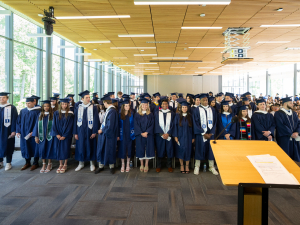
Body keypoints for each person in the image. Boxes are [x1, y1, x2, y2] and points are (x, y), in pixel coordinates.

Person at [73, 90, 99, 172]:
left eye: (89, 97)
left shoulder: (94, 107)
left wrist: (94, 131)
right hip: (80, 130)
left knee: (91, 145)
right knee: (80, 146)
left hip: (89, 130)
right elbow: (75, 121)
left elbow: (96, 120)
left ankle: (92, 164)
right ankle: (81, 164)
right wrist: (75, 132)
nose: (88, 99)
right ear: (82, 98)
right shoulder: (78, 108)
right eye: (86, 98)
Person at [193, 93, 218, 175]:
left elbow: (215, 122)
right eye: (203, 100)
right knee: (199, 149)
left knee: (211, 150)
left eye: (206, 100)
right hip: (201, 134)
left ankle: (211, 167)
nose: (205, 101)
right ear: (200, 101)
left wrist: (211, 133)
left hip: (210, 134)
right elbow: (195, 123)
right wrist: (203, 133)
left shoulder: (212, 109)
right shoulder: (196, 110)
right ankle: (197, 166)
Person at [95, 95, 119, 174]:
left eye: (103, 103)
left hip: (109, 134)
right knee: (102, 149)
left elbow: (110, 125)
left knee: (109, 150)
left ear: (105, 102)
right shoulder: (109, 110)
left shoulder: (112, 111)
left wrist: (102, 130)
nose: (103, 105)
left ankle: (111, 166)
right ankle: (101, 166)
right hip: (105, 133)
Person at [16, 97, 41, 171]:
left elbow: (39, 122)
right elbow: (18, 121)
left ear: (34, 102)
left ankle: (35, 163)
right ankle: (27, 162)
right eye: (26, 103)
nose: (27, 105)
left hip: (33, 133)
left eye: (29, 103)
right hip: (24, 132)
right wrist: (18, 130)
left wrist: (34, 131)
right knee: (25, 146)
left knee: (35, 146)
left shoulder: (38, 111)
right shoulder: (23, 111)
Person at [51, 98, 74, 173]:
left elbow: (70, 126)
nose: (64, 105)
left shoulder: (70, 113)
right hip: (58, 135)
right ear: (61, 105)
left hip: (66, 136)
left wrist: (65, 135)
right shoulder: (56, 113)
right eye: (63, 104)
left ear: (67, 104)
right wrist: (57, 134)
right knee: (58, 149)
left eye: (65, 104)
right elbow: (54, 124)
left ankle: (65, 164)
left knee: (65, 149)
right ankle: (60, 164)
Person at [274, 97, 300, 161]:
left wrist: (297, 132)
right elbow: (280, 125)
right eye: (290, 103)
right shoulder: (278, 113)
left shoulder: (294, 113)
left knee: (295, 157)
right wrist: (290, 134)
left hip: (294, 138)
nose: (292, 104)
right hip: (284, 138)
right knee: (285, 157)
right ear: (285, 104)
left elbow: (298, 123)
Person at [33, 100, 55, 173]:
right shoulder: (40, 115)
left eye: (48, 106)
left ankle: (49, 164)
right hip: (41, 136)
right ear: (43, 107)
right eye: (45, 106)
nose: (46, 107)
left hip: (50, 136)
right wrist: (36, 136)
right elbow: (36, 126)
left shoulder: (53, 115)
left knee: (49, 149)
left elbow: (55, 126)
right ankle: (43, 164)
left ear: (50, 107)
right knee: (42, 149)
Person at [154, 98, 175, 173]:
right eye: (163, 104)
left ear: (168, 105)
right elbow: (156, 124)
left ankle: (169, 166)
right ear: (161, 105)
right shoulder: (157, 113)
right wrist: (161, 134)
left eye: (166, 104)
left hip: (169, 135)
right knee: (160, 149)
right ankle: (158, 166)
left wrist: (168, 133)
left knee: (169, 150)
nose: (164, 105)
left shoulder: (172, 113)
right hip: (160, 135)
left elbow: (173, 125)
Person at [134, 98, 155, 173]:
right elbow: (135, 125)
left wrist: (147, 132)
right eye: (143, 105)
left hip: (148, 135)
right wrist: (141, 133)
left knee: (148, 149)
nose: (144, 106)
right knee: (140, 149)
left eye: (146, 105)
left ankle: (146, 164)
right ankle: (141, 164)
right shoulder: (137, 114)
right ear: (140, 105)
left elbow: (152, 124)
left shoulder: (150, 114)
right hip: (140, 135)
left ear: (148, 106)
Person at [174, 101, 194, 174]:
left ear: (187, 108)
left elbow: (193, 128)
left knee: (188, 150)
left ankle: (187, 166)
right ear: (181, 108)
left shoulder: (190, 116)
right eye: (183, 107)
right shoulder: (177, 115)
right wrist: (175, 136)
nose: (184, 108)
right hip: (180, 136)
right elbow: (175, 126)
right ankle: (181, 165)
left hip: (189, 136)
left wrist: (193, 137)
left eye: (185, 107)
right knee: (181, 150)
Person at [0, 92, 18, 171]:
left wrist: (13, 130)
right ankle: (0, 162)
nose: (2, 99)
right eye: (0, 98)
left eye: (3, 97)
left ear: (7, 98)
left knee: (8, 145)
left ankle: (8, 162)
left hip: (7, 130)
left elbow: (15, 120)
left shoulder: (12, 107)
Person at [117, 99, 135, 172]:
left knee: (129, 150)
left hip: (129, 134)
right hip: (122, 135)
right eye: (126, 106)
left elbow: (133, 125)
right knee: (122, 150)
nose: (128, 107)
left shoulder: (131, 114)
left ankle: (127, 164)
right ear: (123, 107)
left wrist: (132, 134)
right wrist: (118, 135)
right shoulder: (119, 115)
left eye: (128, 105)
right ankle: (123, 164)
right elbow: (118, 126)